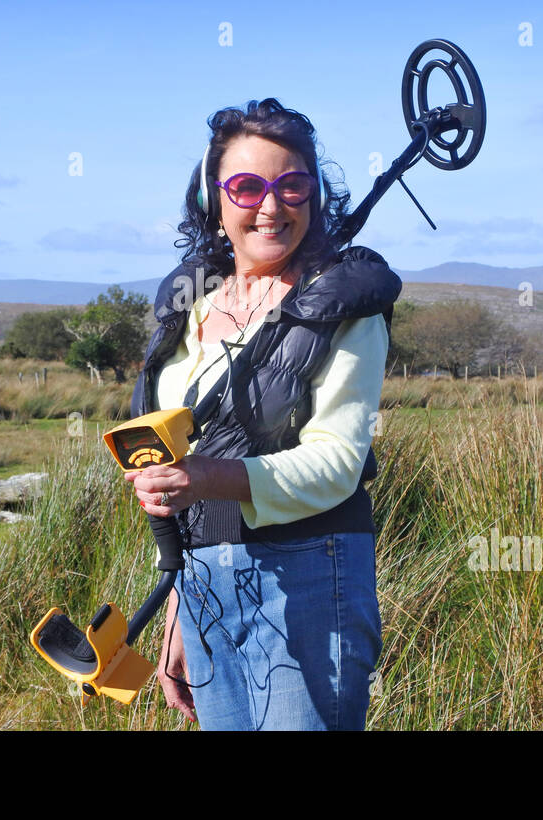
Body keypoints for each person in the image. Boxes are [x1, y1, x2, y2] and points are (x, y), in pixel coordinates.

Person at [124, 98, 401, 730]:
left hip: (311, 572)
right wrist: (177, 608)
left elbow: (336, 462)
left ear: (315, 195)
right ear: (211, 201)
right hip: (202, 587)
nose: (271, 207)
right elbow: (179, 477)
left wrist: (208, 478)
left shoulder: (347, 304)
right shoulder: (188, 309)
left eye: (292, 185)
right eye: (247, 187)